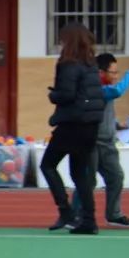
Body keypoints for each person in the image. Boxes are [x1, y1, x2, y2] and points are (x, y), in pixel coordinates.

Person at [70, 53, 129, 228]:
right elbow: (117, 91)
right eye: (113, 72)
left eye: (117, 73)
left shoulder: (105, 88)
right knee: (87, 180)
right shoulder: (96, 88)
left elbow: (102, 113)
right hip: (91, 142)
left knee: (116, 176)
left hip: (107, 142)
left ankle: (113, 214)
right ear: (100, 72)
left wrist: (116, 125)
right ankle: (74, 215)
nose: (116, 76)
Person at [41, 23, 105, 235]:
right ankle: (89, 219)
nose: (60, 43)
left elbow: (66, 94)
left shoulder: (68, 64)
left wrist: (53, 95)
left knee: (48, 165)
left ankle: (65, 210)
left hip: (72, 123)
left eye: (62, 39)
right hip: (90, 125)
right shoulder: (90, 64)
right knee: (80, 174)